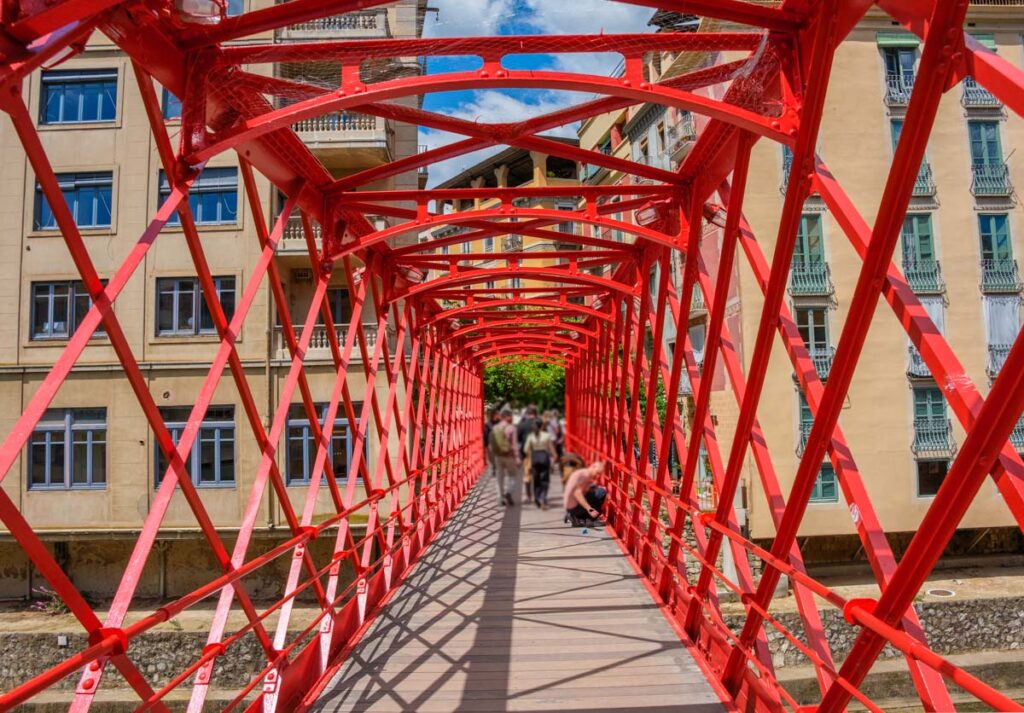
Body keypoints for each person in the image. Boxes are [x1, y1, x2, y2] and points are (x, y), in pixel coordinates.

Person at [488, 407, 520, 506]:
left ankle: (500, 498)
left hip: (498, 456)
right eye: (511, 416)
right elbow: (514, 445)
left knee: (499, 477)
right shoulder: (511, 428)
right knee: (513, 475)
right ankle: (509, 493)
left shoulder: (495, 428)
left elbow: (490, 443)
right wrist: (517, 458)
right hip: (509, 456)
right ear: (508, 416)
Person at [523, 419, 558, 509]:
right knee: (545, 480)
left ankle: (537, 499)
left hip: (535, 458)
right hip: (544, 458)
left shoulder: (530, 436)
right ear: (542, 426)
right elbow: (551, 448)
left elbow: (526, 450)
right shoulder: (546, 436)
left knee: (536, 480)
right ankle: (543, 497)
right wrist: (555, 455)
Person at [563, 460, 608, 527]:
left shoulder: (582, 473)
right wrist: (590, 509)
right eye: (597, 473)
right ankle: (590, 520)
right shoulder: (585, 475)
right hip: (574, 507)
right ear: (593, 467)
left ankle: (574, 516)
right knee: (602, 492)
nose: (598, 476)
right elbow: (577, 493)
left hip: (570, 505)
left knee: (595, 492)